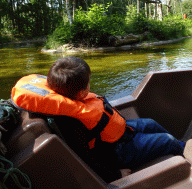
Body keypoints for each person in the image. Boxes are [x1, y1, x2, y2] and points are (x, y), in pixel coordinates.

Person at [11, 57, 186, 182]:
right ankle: (185, 153)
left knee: (149, 123)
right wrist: (115, 174)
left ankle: (179, 146)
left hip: (121, 133)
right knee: (167, 140)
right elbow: (84, 156)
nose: (90, 84)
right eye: (88, 82)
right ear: (81, 93)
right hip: (117, 152)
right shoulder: (73, 121)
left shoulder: (74, 99)